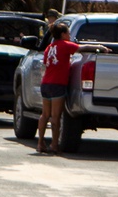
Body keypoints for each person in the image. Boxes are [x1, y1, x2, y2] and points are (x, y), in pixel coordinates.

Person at [36, 22, 109, 154]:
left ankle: (40, 143)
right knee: (56, 117)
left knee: (45, 115)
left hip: (46, 83)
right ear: (63, 34)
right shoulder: (65, 45)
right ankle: (54, 144)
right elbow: (83, 48)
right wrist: (100, 47)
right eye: (68, 33)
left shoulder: (49, 47)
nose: (69, 35)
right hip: (58, 84)